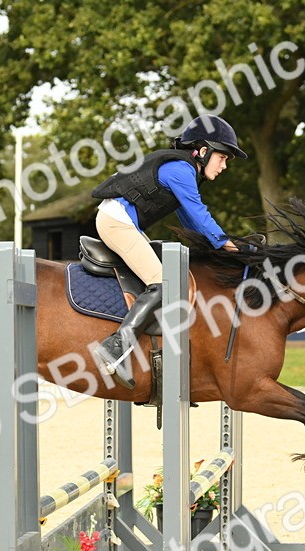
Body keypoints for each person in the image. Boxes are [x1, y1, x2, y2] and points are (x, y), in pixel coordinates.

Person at [89, 114, 245, 388]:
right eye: (223, 158)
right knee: (163, 283)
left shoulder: (184, 172)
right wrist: (230, 247)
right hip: (116, 222)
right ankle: (115, 347)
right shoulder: (181, 170)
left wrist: (219, 246)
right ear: (204, 150)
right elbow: (199, 215)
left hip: (123, 221)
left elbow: (189, 221)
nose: (224, 166)